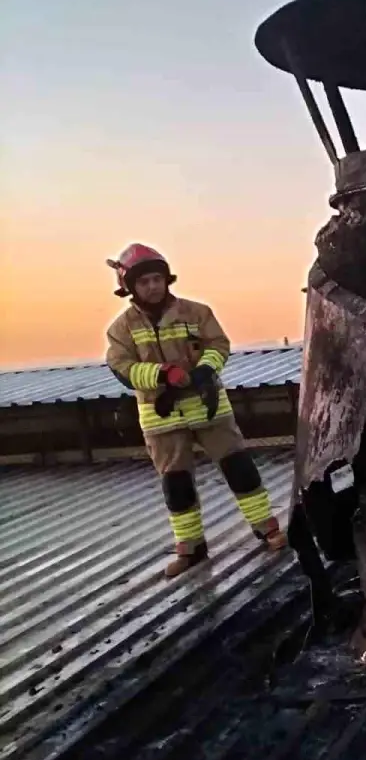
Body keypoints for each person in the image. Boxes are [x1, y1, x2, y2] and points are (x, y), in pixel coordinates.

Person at [104, 243, 288, 577]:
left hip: (208, 407)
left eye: (157, 279)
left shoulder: (197, 312)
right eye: (143, 282)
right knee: (176, 485)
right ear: (130, 287)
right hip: (161, 417)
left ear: (166, 279)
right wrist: (161, 374)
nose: (152, 286)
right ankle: (190, 548)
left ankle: (268, 529)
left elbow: (219, 344)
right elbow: (123, 368)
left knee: (240, 468)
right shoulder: (120, 329)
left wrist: (203, 371)